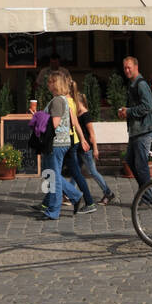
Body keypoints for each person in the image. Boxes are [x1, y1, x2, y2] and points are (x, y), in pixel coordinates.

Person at [36, 72, 85, 222]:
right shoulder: (63, 99)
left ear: (56, 84)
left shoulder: (57, 101)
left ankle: (53, 210)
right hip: (61, 142)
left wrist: (38, 118)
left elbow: (55, 123)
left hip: (56, 143)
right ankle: (75, 196)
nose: (48, 84)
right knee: (50, 174)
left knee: (53, 176)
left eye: (51, 82)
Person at [119, 55, 152, 204]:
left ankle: (148, 197)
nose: (127, 70)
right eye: (125, 68)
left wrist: (128, 112)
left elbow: (148, 106)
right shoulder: (133, 84)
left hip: (143, 130)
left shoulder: (140, 84)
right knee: (131, 161)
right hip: (136, 130)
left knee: (140, 165)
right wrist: (126, 111)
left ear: (136, 67)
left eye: (129, 67)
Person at [76, 90, 115, 206]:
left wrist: (96, 149)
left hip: (86, 148)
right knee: (75, 171)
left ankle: (108, 192)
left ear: (79, 102)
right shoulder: (77, 114)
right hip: (79, 147)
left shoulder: (85, 115)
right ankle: (67, 194)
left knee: (93, 172)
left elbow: (92, 133)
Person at [61, 78, 94, 213]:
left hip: (66, 140)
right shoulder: (72, 100)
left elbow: (73, 122)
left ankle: (73, 196)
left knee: (52, 171)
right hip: (73, 140)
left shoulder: (65, 101)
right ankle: (89, 201)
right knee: (75, 173)